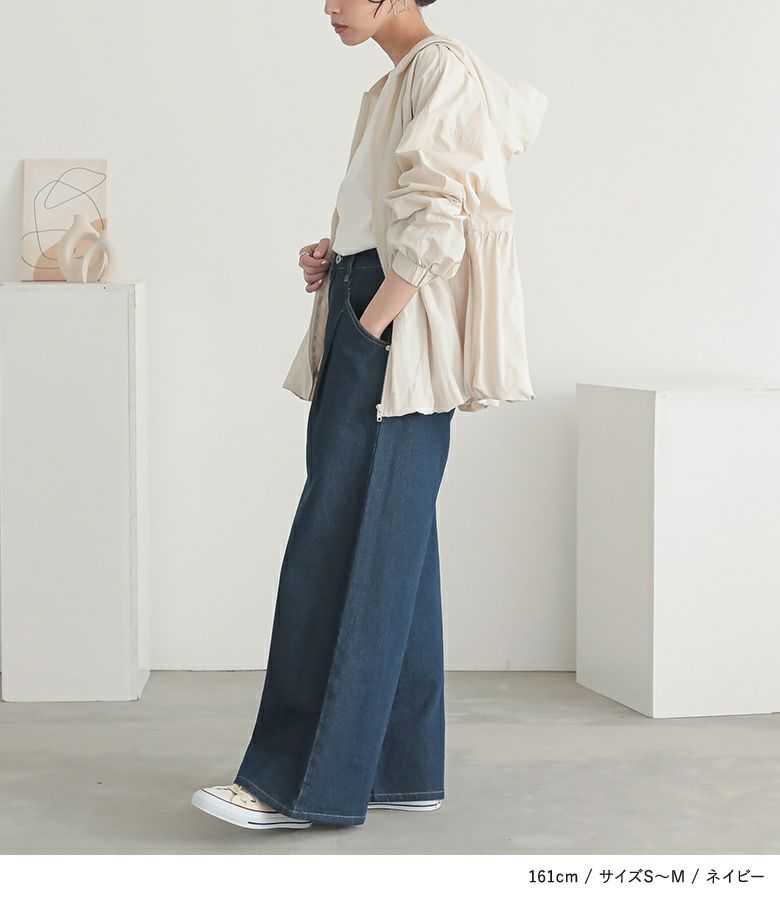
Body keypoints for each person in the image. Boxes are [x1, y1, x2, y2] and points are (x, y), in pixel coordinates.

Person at [191, 0, 548, 830]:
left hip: (389, 334)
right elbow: (398, 212)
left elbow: (440, 215)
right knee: (392, 549)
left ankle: (297, 785)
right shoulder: (396, 84)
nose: (329, 5)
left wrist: (372, 321)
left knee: (336, 547)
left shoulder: (440, 68)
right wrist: (341, 254)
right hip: (370, 310)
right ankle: (398, 768)